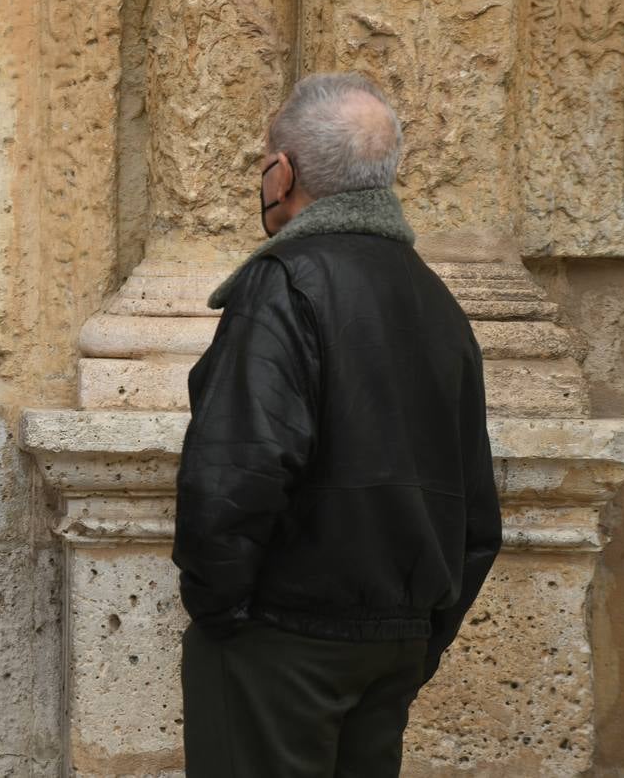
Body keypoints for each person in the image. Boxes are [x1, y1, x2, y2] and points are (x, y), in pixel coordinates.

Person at [173, 73, 502, 777]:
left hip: (284, 639)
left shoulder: (285, 281)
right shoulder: (436, 299)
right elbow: (477, 508)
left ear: (282, 171)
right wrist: (421, 634)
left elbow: (236, 473)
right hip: (392, 644)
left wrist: (222, 613)